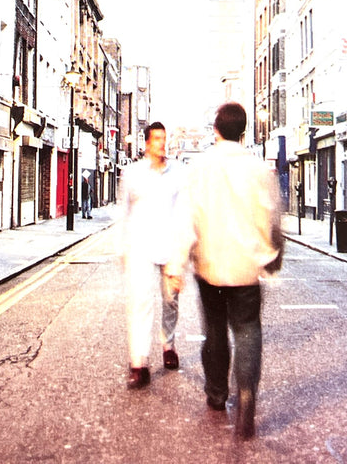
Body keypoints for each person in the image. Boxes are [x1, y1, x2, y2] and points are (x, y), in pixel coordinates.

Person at [165, 102, 283, 439]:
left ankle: (217, 394)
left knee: (214, 330)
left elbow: (186, 219)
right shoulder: (259, 169)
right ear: (244, 131)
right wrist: (272, 257)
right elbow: (273, 217)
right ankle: (246, 394)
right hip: (247, 266)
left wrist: (176, 264)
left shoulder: (200, 167)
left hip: (211, 265)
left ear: (215, 129)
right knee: (248, 331)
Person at [117, 121, 182, 390]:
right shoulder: (132, 174)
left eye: (164, 138)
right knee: (141, 303)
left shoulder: (178, 173)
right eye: (156, 138)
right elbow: (124, 212)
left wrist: (182, 253)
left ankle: (168, 344)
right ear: (146, 143)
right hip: (140, 247)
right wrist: (121, 247)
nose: (161, 143)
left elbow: (183, 212)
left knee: (171, 302)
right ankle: (139, 363)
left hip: (169, 247)